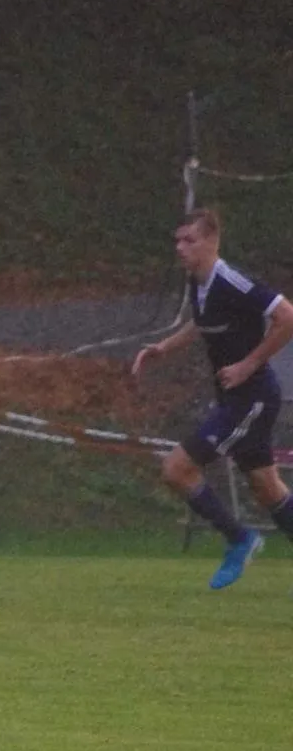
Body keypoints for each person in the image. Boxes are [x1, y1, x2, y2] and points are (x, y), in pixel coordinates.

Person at [133, 208, 293, 590]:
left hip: (252, 397)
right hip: (236, 398)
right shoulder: (198, 281)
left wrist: (248, 365)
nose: (179, 247)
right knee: (267, 487)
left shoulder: (232, 281)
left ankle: (240, 539)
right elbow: (202, 321)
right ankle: (242, 539)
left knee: (176, 469)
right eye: (177, 240)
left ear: (210, 241)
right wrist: (164, 347)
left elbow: (287, 316)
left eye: (188, 240)